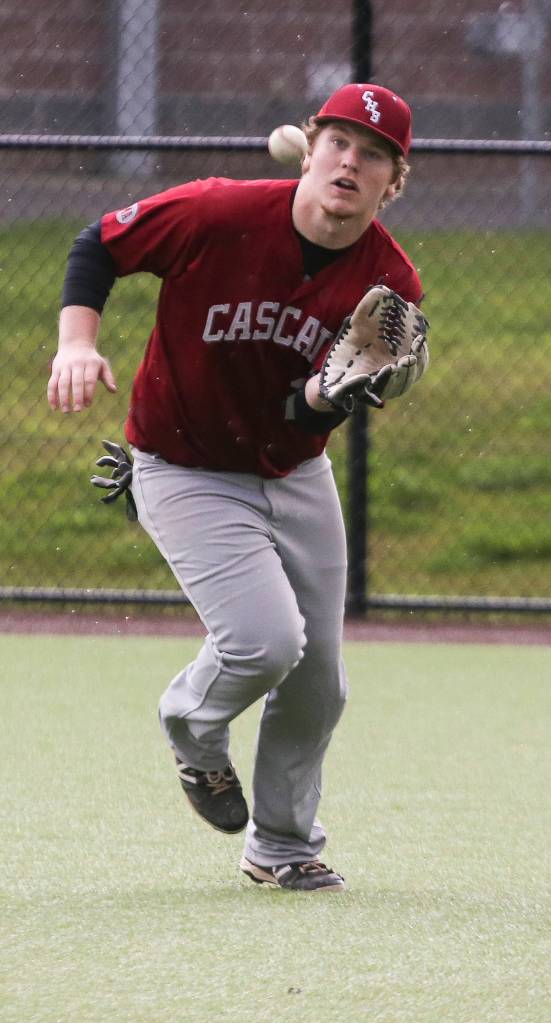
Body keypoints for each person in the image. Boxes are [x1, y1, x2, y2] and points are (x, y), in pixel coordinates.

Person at [47, 83, 425, 893]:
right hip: (182, 463)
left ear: (393, 183)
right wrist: (76, 343)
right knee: (264, 642)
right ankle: (192, 724)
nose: (349, 164)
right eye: (337, 145)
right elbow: (98, 243)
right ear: (311, 147)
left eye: (372, 156)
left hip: (293, 468)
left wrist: (323, 399)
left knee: (318, 673)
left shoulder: (388, 284)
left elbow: (302, 406)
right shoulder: (217, 214)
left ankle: (282, 844)